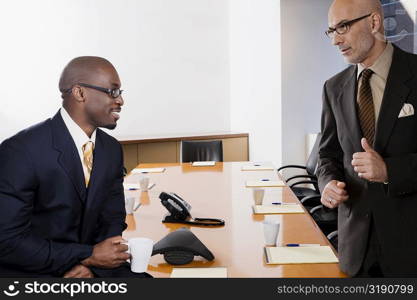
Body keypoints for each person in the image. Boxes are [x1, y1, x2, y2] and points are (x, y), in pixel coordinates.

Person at [0, 56, 150, 278]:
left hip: (95, 267)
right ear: (80, 93)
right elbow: (7, 240)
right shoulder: (21, 150)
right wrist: (85, 255)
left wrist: (95, 264)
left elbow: (112, 219)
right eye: (113, 91)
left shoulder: (111, 149)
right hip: (36, 270)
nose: (121, 101)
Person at [318, 0, 417, 277]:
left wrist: (390, 171)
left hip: (409, 250)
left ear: (374, 23)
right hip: (355, 250)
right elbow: (328, 155)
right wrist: (327, 184)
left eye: (343, 27)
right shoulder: (333, 88)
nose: (336, 39)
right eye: (331, 31)